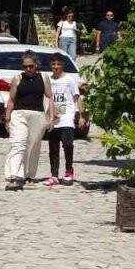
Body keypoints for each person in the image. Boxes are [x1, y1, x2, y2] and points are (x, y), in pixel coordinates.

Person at [3, 52, 55, 191]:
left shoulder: (44, 78)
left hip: (37, 115)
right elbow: (11, 100)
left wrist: (51, 118)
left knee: (33, 145)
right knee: (18, 143)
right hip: (19, 114)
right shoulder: (18, 78)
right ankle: (14, 175)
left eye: (30, 66)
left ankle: (29, 175)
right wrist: (7, 118)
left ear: (36, 65)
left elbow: (50, 97)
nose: (28, 69)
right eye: (25, 66)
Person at [43, 55, 86, 186]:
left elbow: (77, 97)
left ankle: (69, 171)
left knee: (68, 145)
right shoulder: (48, 79)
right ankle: (54, 175)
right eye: (53, 64)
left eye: (58, 64)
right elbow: (45, 97)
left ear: (62, 65)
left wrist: (81, 116)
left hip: (66, 117)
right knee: (53, 147)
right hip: (53, 118)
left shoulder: (69, 79)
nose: (56, 67)